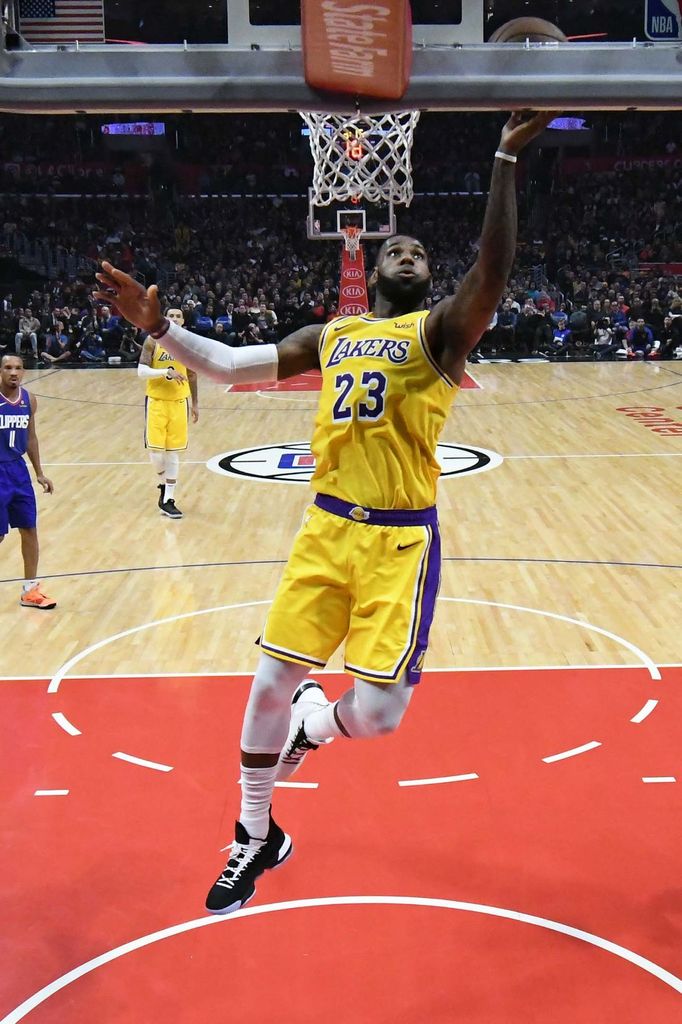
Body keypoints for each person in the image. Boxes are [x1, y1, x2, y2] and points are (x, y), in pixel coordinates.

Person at [95, 110, 552, 915]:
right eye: (398, 248)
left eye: (421, 251)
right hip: (325, 529)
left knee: (375, 716)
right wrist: (160, 328)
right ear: (373, 267)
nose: (410, 251)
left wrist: (504, 158)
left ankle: (320, 727)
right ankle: (253, 835)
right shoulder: (332, 333)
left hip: (400, 545)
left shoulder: (441, 333)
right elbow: (234, 368)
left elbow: (491, 273)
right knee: (268, 684)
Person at [0, 354, 56, 609]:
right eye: (8, 367)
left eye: (18, 368)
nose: (14, 372)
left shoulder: (28, 400)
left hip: (18, 471)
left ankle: (30, 590)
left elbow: (31, 438)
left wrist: (39, 472)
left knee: (29, 529)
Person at [137, 306, 199, 519]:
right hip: (156, 402)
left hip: (179, 403)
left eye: (178, 316)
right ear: (165, 318)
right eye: (170, 315)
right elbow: (141, 371)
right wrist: (166, 372)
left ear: (183, 321)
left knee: (172, 453)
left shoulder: (188, 344)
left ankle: (168, 499)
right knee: (156, 454)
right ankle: (163, 485)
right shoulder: (152, 340)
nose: (174, 318)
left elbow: (192, 375)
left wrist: (195, 403)